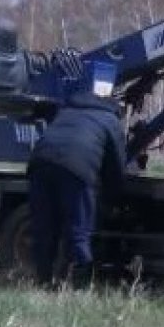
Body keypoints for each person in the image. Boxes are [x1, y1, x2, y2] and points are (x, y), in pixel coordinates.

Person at [27, 90, 126, 289]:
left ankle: (43, 283)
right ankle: (80, 286)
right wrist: (115, 197)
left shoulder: (66, 111)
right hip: (77, 170)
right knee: (79, 231)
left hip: (39, 164)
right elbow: (115, 166)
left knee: (44, 228)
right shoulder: (110, 119)